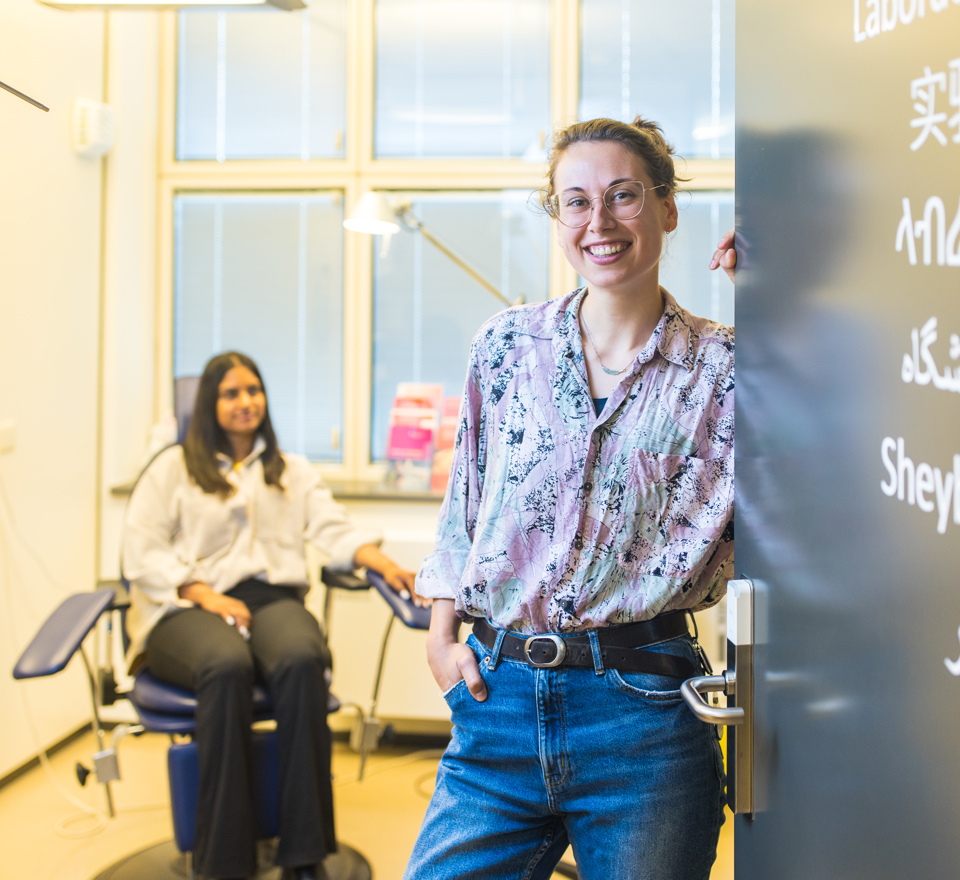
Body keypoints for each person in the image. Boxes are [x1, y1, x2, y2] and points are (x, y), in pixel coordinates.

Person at [405, 116, 737, 880]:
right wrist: (441, 633)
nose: (601, 222)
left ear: (667, 207)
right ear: (556, 217)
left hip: (643, 716)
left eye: (624, 195)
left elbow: (829, 447)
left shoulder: (726, 370)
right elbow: (465, 507)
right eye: (576, 202)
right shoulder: (505, 345)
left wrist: (781, 293)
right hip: (497, 702)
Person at [123, 351, 420, 880]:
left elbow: (334, 529)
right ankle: (223, 862)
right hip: (185, 604)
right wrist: (204, 595)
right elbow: (140, 551)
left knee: (304, 656)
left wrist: (385, 565)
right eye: (231, 393)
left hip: (269, 599)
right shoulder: (173, 468)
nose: (245, 402)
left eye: (253, 391)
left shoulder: (291, 471)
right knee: (224, 664)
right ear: (209, 404)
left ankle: (303, 853)